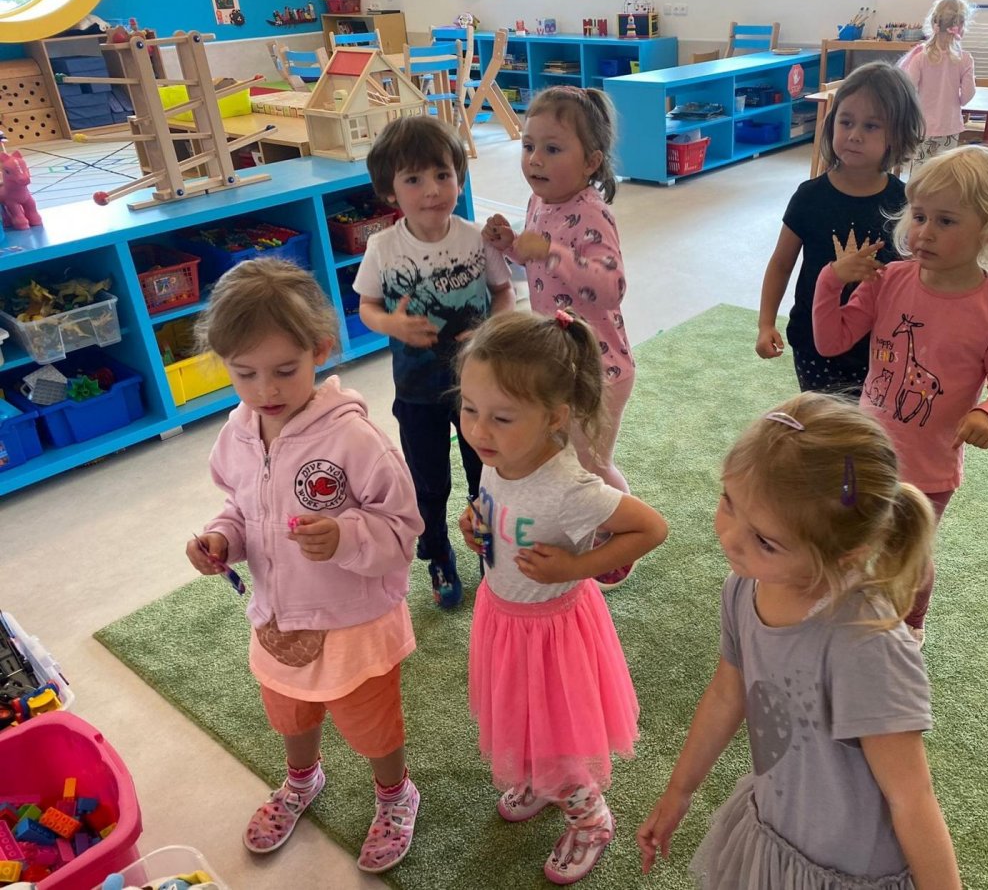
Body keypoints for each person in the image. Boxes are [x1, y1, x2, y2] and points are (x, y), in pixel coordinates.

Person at [636, 394, 961, 890]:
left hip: (848, 873)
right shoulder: (744, 587)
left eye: (766, 541)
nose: (730, 538)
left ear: (846, 554)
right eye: (728, 502)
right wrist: (679, 790)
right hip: (774, 830)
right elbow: (727, 693)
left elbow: (911, 797)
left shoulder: (866, 645)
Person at [185, 258, 426, 873]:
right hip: (277, 616)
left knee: (371, 725)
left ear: (319, 350)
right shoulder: (238, 434)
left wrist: (346, 535)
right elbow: (241, 508)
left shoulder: (355, 439)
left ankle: (395, 794)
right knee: (289, 712)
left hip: (353, 622)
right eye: (245, 374)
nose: (265, 390)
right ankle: (301, 779)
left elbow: (403, 527)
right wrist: (221, 539)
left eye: (285, 371)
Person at [456, 309, 668, 884]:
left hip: (552, 632)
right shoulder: (498, 456)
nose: (479, 431)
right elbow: (498, 509)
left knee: (560, 735)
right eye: (469, 409)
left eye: (501, 417)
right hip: (503, 617)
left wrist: (578, 567)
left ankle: (589, 817)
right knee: (521, 718)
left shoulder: (570, 487)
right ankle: (540, 778)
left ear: (555, 417)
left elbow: (651, 528)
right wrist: (476, 524)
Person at [811, 144, 988, 644]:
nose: (924, 232)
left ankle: (911, 622)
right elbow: (831, 341)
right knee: (847, 534)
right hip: (865, 453)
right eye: (919, 216)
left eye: (946, 221)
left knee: (906, 552)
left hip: (929, 471)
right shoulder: (889, 280)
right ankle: (843, 599)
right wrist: (831, 281)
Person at [482, 86, 638, 589]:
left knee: (588, 467)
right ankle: (603, 521)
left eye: (552, 148)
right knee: (571, 460)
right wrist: (512, 246)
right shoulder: (540, 201)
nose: (535, 160)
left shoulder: (592, 213)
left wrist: (550, 251)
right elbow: (538, 271)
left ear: (592, 161)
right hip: (562, 362)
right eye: (529, 146)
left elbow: (611, 286)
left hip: (601, 368)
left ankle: (623, 533)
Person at [356, 115, 514, 608]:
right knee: (428, 482)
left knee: (485, 474)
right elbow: (366, 307)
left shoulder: (476, 237)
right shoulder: (383, 248)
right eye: (414, 179)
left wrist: (490, 329)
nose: (432, 190)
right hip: (417, 390)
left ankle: (488, 549)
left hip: (478, 390)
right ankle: (438, 552)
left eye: (443, 175)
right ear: (390, 191)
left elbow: (503, 292)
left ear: (459, 178)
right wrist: (392, 325)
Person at [756, 62, 924, 396]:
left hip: (880, 344)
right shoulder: (809, 196)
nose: (854, 135)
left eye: (871, 126)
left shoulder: (905, 202)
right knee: (823, 422)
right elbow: (781, 263)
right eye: (846, 122)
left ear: (896, 135)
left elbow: (916, 275)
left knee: (870, 424)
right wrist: (765, 323)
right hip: (813, 342)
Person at [900, 0, 977, 170]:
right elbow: (967, 96)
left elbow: (908, 89)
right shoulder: (965, 59)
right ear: (961, 26)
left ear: (934, 22)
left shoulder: (920, 57)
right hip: (950, 125)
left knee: (921, 171)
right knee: (944, 171)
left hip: (923, 126)